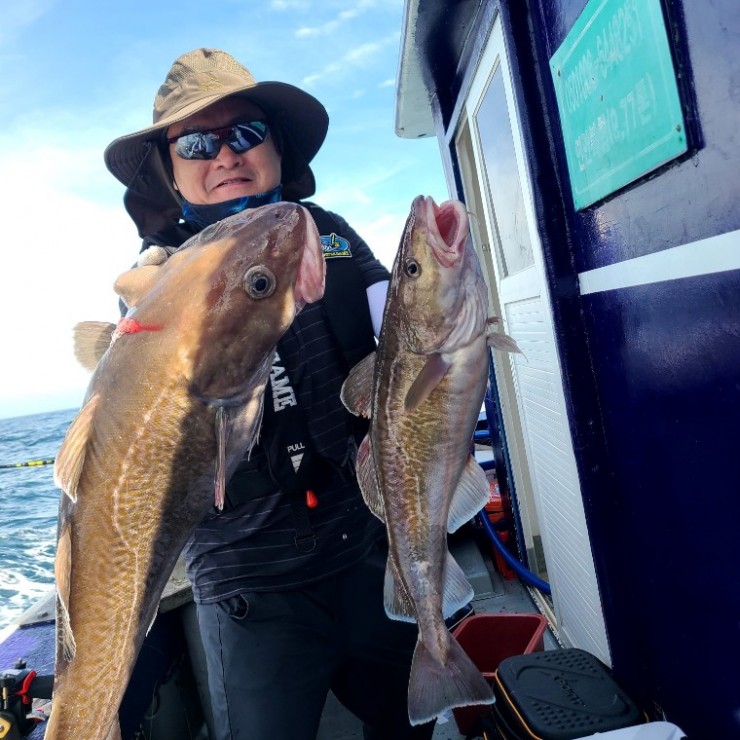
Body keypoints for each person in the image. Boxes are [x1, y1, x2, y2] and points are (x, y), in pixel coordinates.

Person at [103, 48, 437, 740]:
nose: (226, 154)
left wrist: (447, 315)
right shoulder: (159, 280)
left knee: (410, 722)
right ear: (168, 170)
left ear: (277, 145)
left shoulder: (331, 235)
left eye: (246, 132)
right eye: (197, 144)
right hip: (249, 581)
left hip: (367, 544)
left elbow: (409, 328)